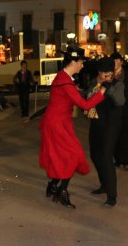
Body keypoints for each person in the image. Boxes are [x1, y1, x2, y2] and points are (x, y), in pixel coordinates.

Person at [39, 46, 106, 209]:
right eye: (81, 62)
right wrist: (102, 92)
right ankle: (62, 191)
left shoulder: (62, 77)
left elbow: (74, 97)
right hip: (57, 124)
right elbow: (84, 104)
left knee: (61, 155)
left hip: (57, 122)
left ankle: (54, 186)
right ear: (74, 62)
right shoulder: (65, 82)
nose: (82, 66)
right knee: (73, 155)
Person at [87, 57, 125, 206]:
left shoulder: (118, 84)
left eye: (108, 73)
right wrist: (97, 85)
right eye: (102, 73)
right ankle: (104, 184)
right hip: (96, 123)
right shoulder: (94, 82)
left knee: (106, 157)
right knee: (95, 155)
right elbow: (86, 95)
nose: (105, 76)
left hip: (111, 125)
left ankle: (112, 195)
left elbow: (120, 101)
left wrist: (107, 87)